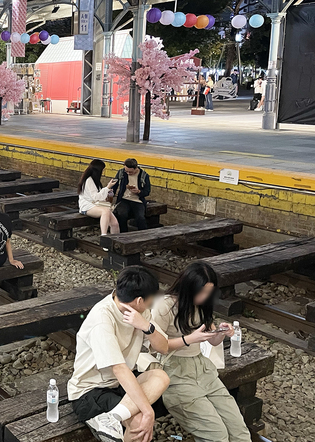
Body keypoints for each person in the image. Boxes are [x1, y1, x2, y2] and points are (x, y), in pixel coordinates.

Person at [68, 266, 170, 442]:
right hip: (89, 391)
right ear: (139, 300)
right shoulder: (102, 318)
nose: (152, 303)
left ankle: (111, 418)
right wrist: (147, 411)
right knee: (139, 422)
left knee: (161, 376)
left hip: (117, 383)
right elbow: (119, 369)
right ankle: (112, 420)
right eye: (151, 299)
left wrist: (147, 327)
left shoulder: (140, 313)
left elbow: (163, 348)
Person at [151, 262, 251, 442]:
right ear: (188, 286)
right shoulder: (164, 305)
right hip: (175, 373)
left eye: (208, 292)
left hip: (203, 370)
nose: (204, 297)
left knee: (240, 432)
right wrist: (190, 339)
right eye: (201, 292)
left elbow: (212, 340)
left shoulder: (202, 305)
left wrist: (221, 333)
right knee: (216, 435)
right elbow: (156, 346)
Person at [78, 159, 119, 240]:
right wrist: (107, 187)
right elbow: (96, 197)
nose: (103, 172)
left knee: (115, 223)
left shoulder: (95, 181)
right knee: (106, 211)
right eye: (103, 170)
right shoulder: (89, 181)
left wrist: (108, 192)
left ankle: (116, 240)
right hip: (87, 206)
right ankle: (104, 237)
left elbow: (99, 197)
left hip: (96, 205)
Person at [112, 159, 151, 233]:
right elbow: (114, 185)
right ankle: (123, 234)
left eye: (130, 172)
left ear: (136, 168)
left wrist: (139, 192)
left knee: (140, 217)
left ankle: (144, 235)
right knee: (121, 215)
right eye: (126, 171)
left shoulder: (144, 175)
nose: (128, 173)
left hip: (138, 200)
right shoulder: (121, 172)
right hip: (124, 199)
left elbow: (147, 191)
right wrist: (110, 196)